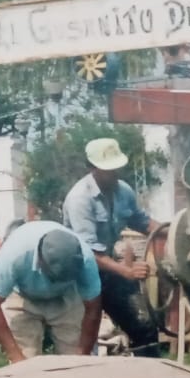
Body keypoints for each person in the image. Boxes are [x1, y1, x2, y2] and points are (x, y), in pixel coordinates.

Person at [63, 137, 161, 357]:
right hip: (79, 274)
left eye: (116, 168)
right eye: (108, 169)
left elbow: (143, 222)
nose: (114, 174)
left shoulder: (123, 191)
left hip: (108, 270)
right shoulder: (80, 198)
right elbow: (88, 253)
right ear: (91, 168)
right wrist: (126, 271)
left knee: (144, 327)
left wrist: (172, 230)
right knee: (83, 340)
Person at [0, 220, 102, 364]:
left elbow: (93, 308)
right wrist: (16, 356)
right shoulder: (14, 255)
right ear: (40, 260)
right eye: (54, 277)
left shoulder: (85, 259)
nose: (56, 282)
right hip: (22, 297)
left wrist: (83, 353)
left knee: (74, 362)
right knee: (26, 363)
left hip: (66, 297)